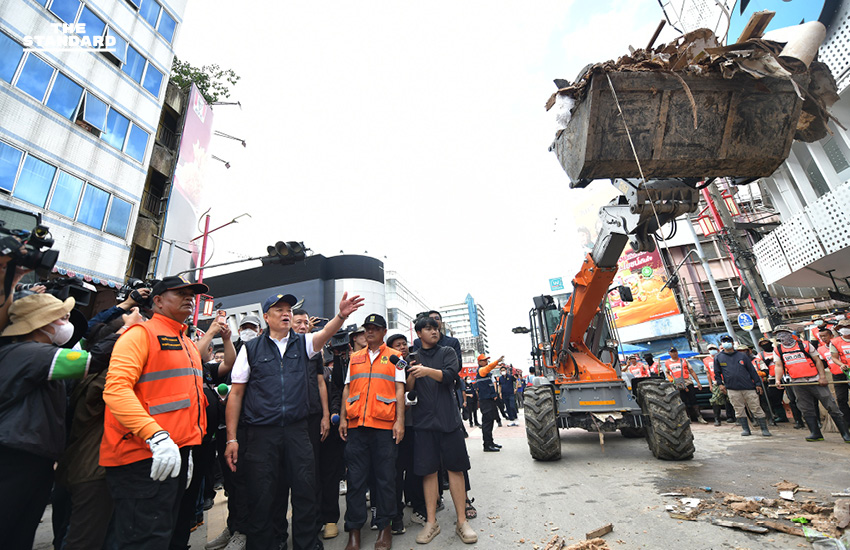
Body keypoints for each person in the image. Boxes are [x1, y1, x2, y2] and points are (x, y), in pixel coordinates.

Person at [224, 291, 364, 550]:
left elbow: (324, 335)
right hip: (261, 435)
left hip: (297, 431)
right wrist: (231, 438)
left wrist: (341, 316)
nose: (286, 313)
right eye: (279, 309)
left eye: (288, 309)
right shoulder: (251, 349)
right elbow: (236, 394)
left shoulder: (303, 343)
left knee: (305, 492)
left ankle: (307, 544)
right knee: (263, 496)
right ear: (266, 317)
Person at [99, 276, 210, 549]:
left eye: (191, 294)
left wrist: (187, 450)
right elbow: (116, 390)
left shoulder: (185, 341)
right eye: (179, 293)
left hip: (175, 454)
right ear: (157, 301)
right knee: (144, 539)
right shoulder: (140, 334)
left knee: (163, 534)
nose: (189, 297)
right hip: (143, 456)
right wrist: (156, 436)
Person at [0, 293, 109, 549]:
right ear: (40, 324)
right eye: (62, 318)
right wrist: (128, 329)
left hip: (33, 456)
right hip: (15, 456)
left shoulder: (38, 354)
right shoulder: (30, 353)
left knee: (21, 530)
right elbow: (91, 361)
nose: (66, 323)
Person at [56, 307, 146, 550]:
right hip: (95, 468)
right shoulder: (105, 378)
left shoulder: (88, 374)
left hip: (82, 465)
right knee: (85, 538)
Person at [406, 316, 477, 545]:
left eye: (435, 328)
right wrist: (410, 371)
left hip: (449, 421)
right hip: (424, 423)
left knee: (456, 469)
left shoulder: (447, 351)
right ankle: (430, 522)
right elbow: (408, 389)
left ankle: (461, 521)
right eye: (427, 328)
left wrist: (425, 371)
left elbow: (449, 376)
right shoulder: (412, 357)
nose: (433, 331)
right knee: (428, 472)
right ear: (419, 334)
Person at [339, 313, 405, 550]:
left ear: (384, 332)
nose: (370, 332)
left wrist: (400, 422)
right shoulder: (354, 357)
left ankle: (384, 528)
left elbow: (400, 390)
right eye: (367, 328)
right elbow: (347, 388)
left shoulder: (396, 357)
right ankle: (354, 531)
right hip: (357, 426)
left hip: (384, 426)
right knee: (355, 480)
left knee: (385, 479)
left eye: (375, 328)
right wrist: (343, 418)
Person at [291, 308, 332, 543]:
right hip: (287, 421)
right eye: (299, 322)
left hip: (313, 418)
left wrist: (325, 415)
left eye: (306, 323)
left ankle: (315, 522)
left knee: (312, 471)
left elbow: (320, 383)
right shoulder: (279, 349)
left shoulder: (314, 352)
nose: (303, 326)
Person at [773, 325, 850, 443]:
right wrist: (778, 380)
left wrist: (822, 376)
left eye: (783, 333)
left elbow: (818, 361)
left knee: (831, 406)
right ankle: (815, 433)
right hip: (797, 383)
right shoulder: (778, 350)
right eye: (779, 334)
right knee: (806, 409)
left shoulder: (805, 345)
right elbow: (779, 366)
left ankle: (845, 434)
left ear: (790, 333)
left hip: (815, 380)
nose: (781, 336)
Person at [713, 336, 771, 437]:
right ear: (722, 344)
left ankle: (764, 429)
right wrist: (720, 384)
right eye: (724, 342)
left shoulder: (742, 356)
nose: (726, 343)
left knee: (756, 407)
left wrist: (757, 384)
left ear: (732, 343)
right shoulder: (718, 357)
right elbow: (717, 373)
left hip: (748, 387)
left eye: (728, 341)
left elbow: (752, 371)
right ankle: (746, 429)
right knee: (739, 410)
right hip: (732, 388)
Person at [664, 347, 706, 423]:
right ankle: (687, 418)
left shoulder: (683, 360)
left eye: (675, 351)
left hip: (688, 382)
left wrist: (698, 382)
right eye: (672, 352)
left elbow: (692, 371)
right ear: (669, 353)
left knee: (693, 400)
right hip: (678, 385)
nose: (674, 353)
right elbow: (667, 372)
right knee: (682, 401)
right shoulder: (667, 363)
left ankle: (699, 416)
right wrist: (670, 379)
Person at [474, 353, 505, 452]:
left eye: (487, 360)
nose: (486, 362)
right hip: (486, 401)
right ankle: (487, 445)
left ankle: (490, 442)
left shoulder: (486, 372)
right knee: (487, 423)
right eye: (484, 360)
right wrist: (497, 361)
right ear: (479, 362)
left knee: (490, 422)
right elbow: (488, 368)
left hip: (489, 400)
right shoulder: (481, 371)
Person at [824, 326, 850, 422]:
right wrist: (841, 364)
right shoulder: (835, 342)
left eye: (847, 326)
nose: (846, 329)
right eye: (843, 327)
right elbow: (834, 357)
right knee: (841, 398)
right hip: (840, 373)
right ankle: (847, 422)